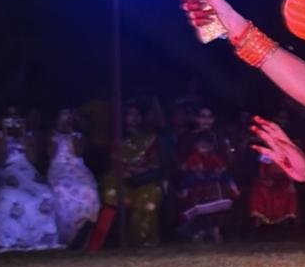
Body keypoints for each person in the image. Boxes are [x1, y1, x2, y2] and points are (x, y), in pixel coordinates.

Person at [0, 108, 60, 252]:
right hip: (8, 170)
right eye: (9, 117)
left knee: (45, 193)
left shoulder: (29, 135)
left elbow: (34, 159)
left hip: (27, 170)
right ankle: (7, 238)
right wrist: (5, 133)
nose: (13, 120)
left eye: (16, 117)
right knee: (8, 195)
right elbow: (0, 159)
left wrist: (23, 133)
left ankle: (40, 237)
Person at [101, 104, 163, 247]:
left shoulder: (150, 138)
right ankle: (112, 240)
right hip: (120, 178)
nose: (134, 118)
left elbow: (155, 162)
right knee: (111, 194)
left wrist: (140, 170)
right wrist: (125, 171)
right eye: (130, 114)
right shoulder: (117, 138)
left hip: (142, 179)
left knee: (151, 194)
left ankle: (142, 239)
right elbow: (114, 162)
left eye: (137, 115)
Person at [176, 106, 239, 243]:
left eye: (209, 117)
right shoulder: (187, 137)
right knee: (191, 191)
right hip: (194, 177)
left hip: (214, 177)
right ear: (197, 119)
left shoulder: (219, 136)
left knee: (222, 189)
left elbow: (225, 161)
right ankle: (199, 230)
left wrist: (219, 169)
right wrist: (194, 169)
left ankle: (215, 229)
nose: (206, 120)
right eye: (203, 116)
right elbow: (181, 162)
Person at [46, 108, 100, 246]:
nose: (66, 121)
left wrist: (72, 134)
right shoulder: (51, 135)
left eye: (68, 118)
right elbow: (51, 155)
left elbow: (79, 153)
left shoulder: (78, 135)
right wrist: (56, 136)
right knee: (60, 189)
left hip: (77, 167)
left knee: (87, 190)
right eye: (63, 118)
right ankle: (65, 235)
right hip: (58, 168)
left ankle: (84, 234)